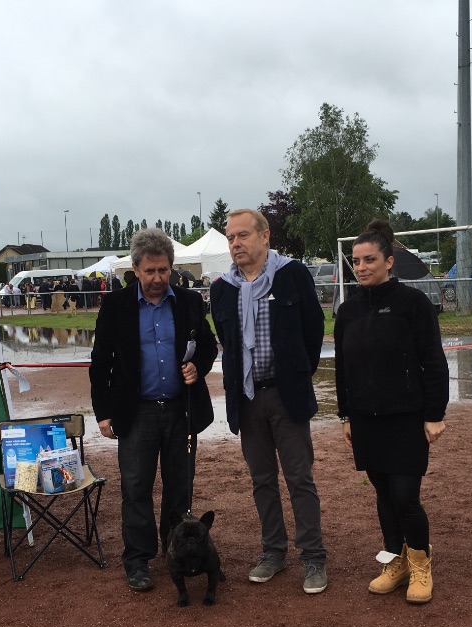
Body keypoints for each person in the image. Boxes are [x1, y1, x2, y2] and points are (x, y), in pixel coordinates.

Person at [90, 228, 218, 592]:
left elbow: (207, 346)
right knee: (136, 488)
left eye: (163, 271)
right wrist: (103, 413)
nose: (157, 279)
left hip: (182, 410)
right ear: (135, 269)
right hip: (137, 413)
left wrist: (199, 367)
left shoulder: (191, 303)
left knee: (180, 489)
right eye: (150, 271)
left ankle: (175, 552)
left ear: (172, 268)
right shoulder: (116, 306)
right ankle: (138, 559)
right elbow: (100, 365)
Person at [209, 208, 328, 595]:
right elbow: (226, 342)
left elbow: (313, 332)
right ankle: (273, 552)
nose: (235, 244)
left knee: (299, 478)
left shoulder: (292, 275)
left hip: (285, 395)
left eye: (242, 235)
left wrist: (295, 375)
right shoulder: (221, 287)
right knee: (262, 481)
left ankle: (313, 557)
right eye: (230, 238)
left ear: (265, 236)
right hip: (246, 399)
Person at [334, 219, 449, 605]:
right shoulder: (347, 312)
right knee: (383, 495)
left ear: (388, 261)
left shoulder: (412, 305)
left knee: (405, 495)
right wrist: (346, 415)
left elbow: (433, 361)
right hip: (366, 420)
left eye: (369, 260)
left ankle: (421, 563)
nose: (362, 267)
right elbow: (344, 370)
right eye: (356, 261)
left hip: (406, 418)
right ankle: (395, 562)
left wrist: (434, 414)